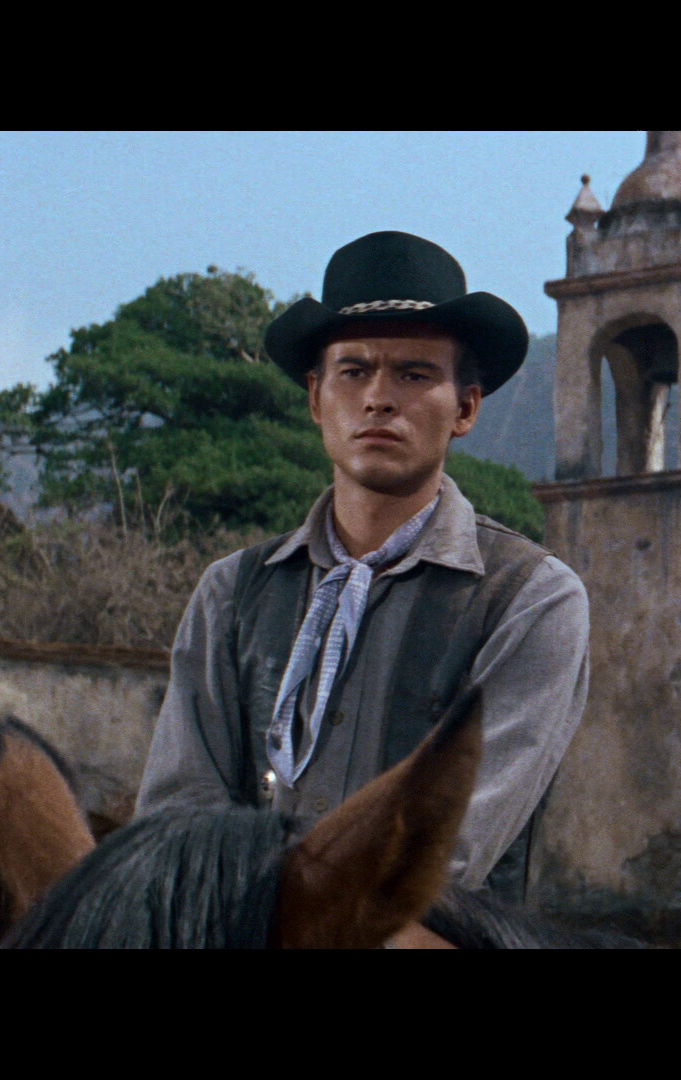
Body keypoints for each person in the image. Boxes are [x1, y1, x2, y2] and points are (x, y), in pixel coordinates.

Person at [137, 231, 589, 908]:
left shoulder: (529, 599)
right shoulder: (232, 592)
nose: (379, 398)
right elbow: (177, 824)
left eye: (414, 374)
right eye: (353, 371)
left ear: (465, 407)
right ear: (315, 398)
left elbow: (449, 851)